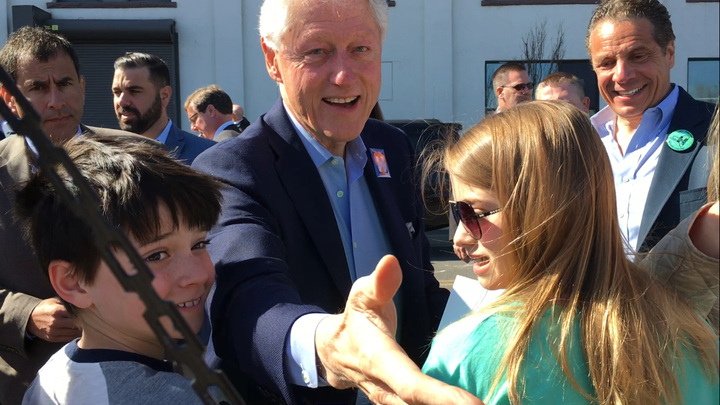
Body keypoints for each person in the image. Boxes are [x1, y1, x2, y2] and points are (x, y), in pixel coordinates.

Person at [192, 1, 479, 405]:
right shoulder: (231, 169)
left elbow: (420, 288)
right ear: (273, 60)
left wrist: (491, 325)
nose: (344, 76)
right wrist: (329, 346)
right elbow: (247, 298)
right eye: (316, 52)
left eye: (361, 49)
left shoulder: (392, 148)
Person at [422, 101, 719, 405]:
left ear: (541, 210)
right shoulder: (695, 337)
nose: (460, 235)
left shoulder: (467, 351)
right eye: (457, 212)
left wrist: (384, 365)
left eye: (475, 212)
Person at [15, 135, 221, 405]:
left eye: (199, 244)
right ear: (74, 282)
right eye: (156, 255)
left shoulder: (55, 374)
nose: (196, 275)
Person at [0, 26, 133, 405]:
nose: (57, 100)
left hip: (133, 378)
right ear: (10, 99)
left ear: (83, 86)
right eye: (38, 88)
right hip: (25, 385)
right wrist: (24, 314)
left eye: (65, 83)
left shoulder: (137, 157)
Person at [587, 0, 714, 253]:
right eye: (607, 63)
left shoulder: (713, 131)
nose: (622, 75)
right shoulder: (579, 143)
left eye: (638, 56)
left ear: (670, 53)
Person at [111, 52, 216, 164]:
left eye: (134, 91)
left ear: (164, 95)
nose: (122, 101)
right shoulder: (106, 154)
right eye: (117, 92)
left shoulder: (208, 154)